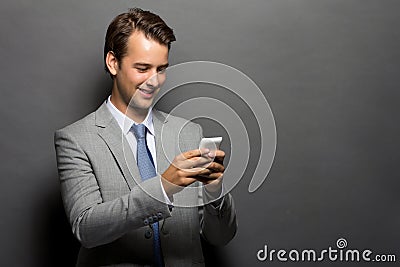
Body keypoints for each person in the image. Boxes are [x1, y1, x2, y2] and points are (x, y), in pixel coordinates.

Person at [54, 7, 237, 267]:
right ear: (113, 63)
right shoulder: (75, 140)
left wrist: (214, 191)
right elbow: (86, 228)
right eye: (143, 68)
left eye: (161, 69)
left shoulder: (189, 133)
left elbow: (220, 237)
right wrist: (163, 187)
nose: (154, 80)